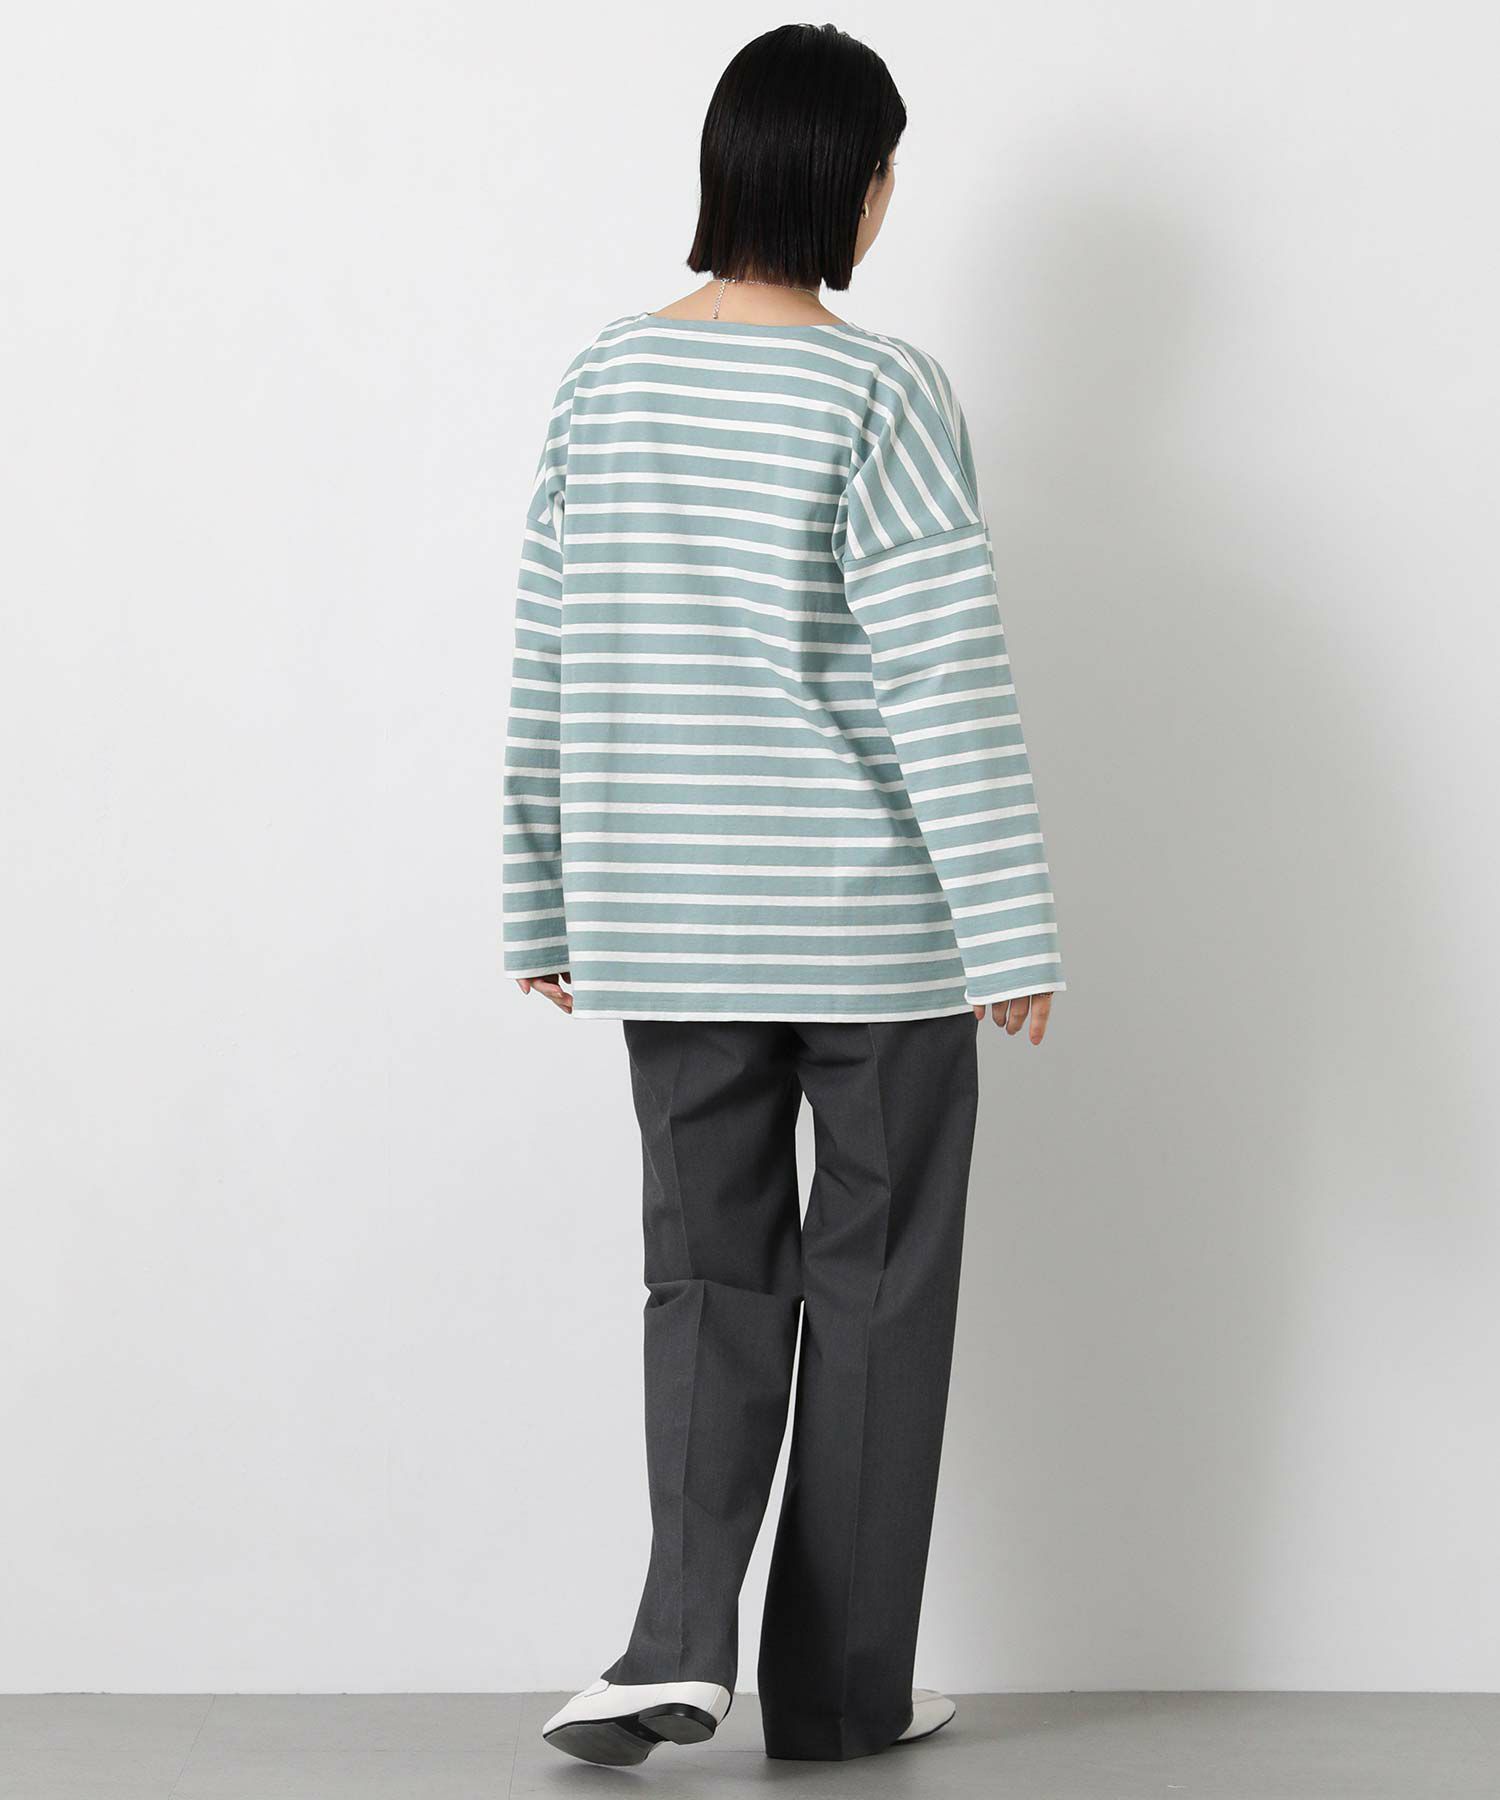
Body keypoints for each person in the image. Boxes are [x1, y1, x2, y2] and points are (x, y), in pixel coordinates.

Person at [503, 22, 1064, 1767]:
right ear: (856, 183)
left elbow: (552, 650)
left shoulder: (605, 381)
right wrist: (1009, 922)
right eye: (891, 173)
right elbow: (942, 674)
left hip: (669, 925)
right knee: (878, 1293)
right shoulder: (881, 392)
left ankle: (675, 1645)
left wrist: (541, 894)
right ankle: (836, 1699)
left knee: (707, 1278)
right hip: (876, 938)